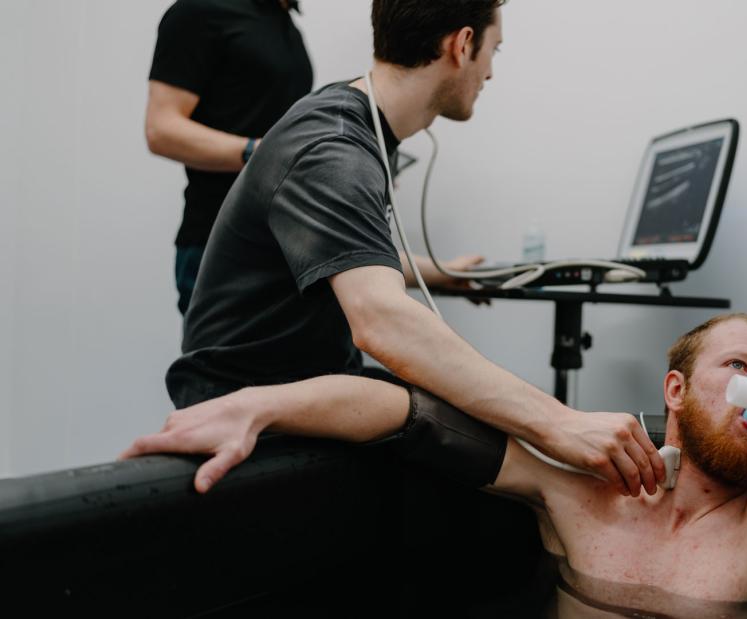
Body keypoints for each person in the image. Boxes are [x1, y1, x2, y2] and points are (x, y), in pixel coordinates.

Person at [124, 313, 747, 619]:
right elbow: (411, 413)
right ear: (675, 390)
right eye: (741, 365)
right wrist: (265, 404)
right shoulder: (581, 493)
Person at [160, 0, 665, 497]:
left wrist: (438, 273)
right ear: (462, 45)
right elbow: (381, 322)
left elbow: (345, 259)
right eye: (494, 51)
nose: (491, 71)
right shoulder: (335, 148)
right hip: (246, 413)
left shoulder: (350, 125)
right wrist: (561, 423)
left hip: (301, 384)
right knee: (504, 452)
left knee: (487, 436)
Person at [146, 0, 314, 314]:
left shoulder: (286, 25)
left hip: (283, 244)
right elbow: (161, 129)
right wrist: (261, 153)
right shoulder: (201, 11)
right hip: (219, 244)